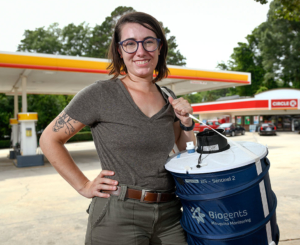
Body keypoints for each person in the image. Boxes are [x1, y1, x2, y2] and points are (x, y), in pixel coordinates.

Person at [40, 12, 195, 245]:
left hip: (170, 214)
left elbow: (179, 149)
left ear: (160, 47)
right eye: (130, 44)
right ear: (120, 51)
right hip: (119, 214)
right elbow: (49, 139)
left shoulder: (168, 97)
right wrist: (83, 185)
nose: (140, 51)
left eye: (149, 42)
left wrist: (186, 122)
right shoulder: (100, 94)